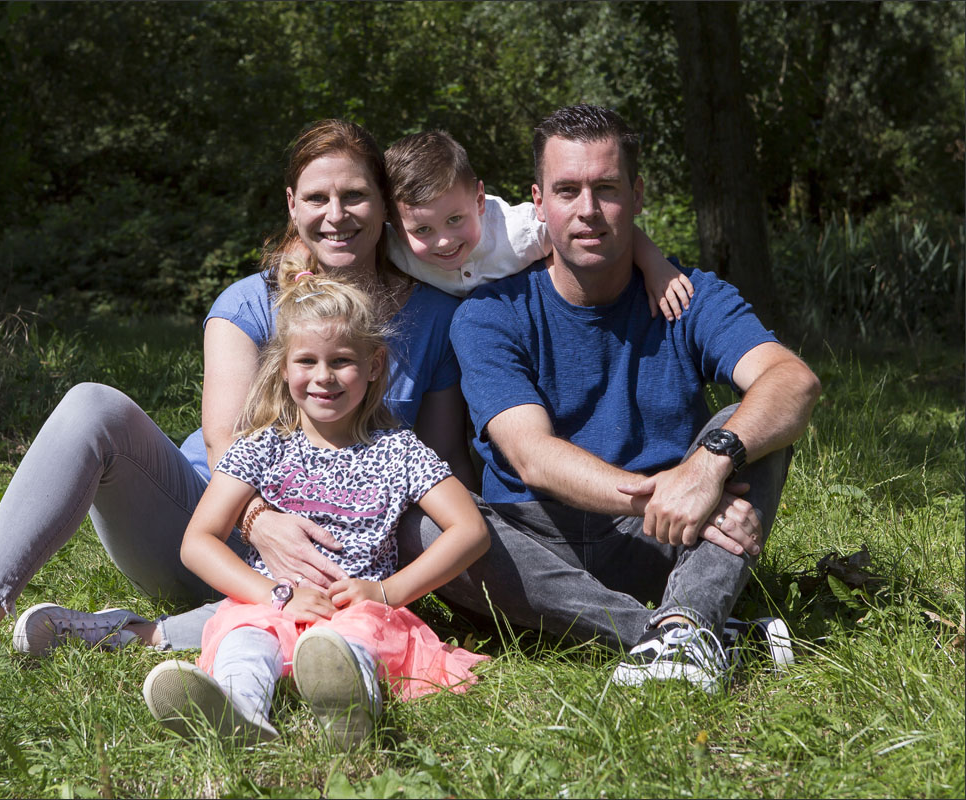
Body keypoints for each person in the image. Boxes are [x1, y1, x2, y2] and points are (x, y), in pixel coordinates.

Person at [0, 119, 474, 686]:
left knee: (284, 619)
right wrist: (261, 524)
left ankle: (134, 635)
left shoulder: (434, 316)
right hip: (211, 531)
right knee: (93, 406)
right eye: (318, 197)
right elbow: (225, 442)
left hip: (342, 563)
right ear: (293, 204)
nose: (336, 215)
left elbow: (442, 462)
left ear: (385, 205)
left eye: (356, 196)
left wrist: (377, 587)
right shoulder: (248, 303)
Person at [403, 104, 822, 692]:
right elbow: (530, 454)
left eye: (606, 188)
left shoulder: (690, 295)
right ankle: (685, 631)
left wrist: (708, 465)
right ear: (538, 200)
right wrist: (674, 493)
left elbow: (793, 381)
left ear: (638, 194)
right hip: (531, 545)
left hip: (663, 545)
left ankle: (684, 617)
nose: (587, 211)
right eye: (567, 190)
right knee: (420, 521)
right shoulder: (487, 315)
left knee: (747, 422)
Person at [140, 260, 489, 749]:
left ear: (374, 365)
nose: (324, 377)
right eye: (306, 362)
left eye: (342, 360)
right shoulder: (262, 447)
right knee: (243, 637)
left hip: (358, 609)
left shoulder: (400, 450)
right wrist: (274, 595)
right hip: (271, 604)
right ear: (283, 369)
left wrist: (386, 593)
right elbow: (198, 543)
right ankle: (240, 713)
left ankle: (349, 712)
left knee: (350, 644)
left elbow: (470, 529)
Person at [383, 129, 694, 321]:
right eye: (423, 230)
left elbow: (598, 229)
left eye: (454, 220)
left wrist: (657, 268)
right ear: (395, 225)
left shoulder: (520, 232)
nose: (443, 241)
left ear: (479, 201)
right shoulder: (392, 246)